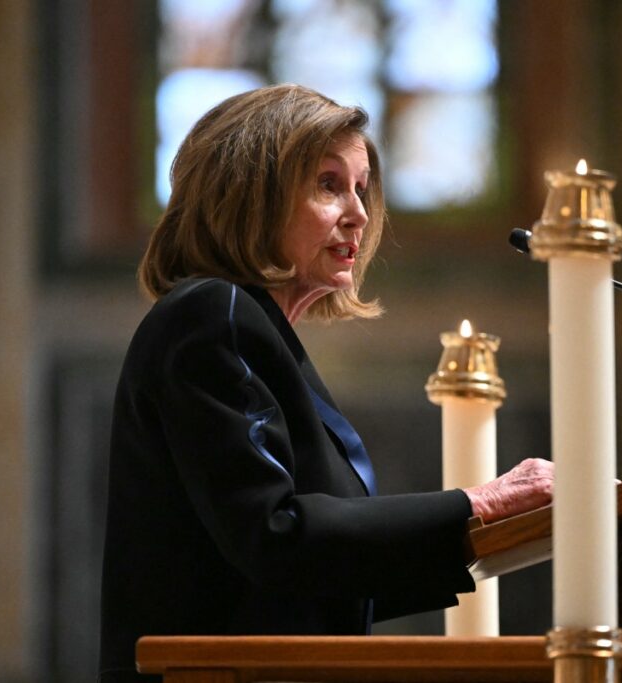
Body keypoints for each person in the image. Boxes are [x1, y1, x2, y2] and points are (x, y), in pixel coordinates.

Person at [98, 84, 554, 683]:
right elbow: (274, 535)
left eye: (361, 189)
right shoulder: (211, 315)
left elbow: (308, 577)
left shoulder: (251, 332)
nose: (359, 214)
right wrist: (479, 504)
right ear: (251, 192)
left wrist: (490, 534)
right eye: (329, 184)